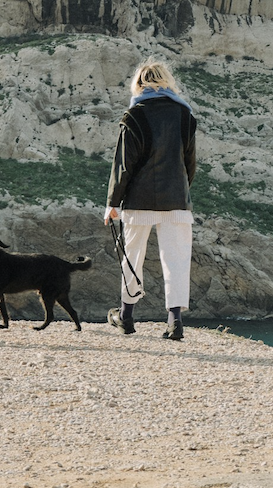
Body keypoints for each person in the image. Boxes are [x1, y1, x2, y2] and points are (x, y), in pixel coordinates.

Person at [104, 58, 197, 340]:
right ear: (167, 81)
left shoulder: (134, 116)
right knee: (177, 259)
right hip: (177, 200)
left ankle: (127, 316)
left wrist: (112, 203)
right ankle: (174, 322)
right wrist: (181, 191)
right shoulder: (185, 115)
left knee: (132, 256)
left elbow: (123, 165)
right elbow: (189, 163)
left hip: (138, 200)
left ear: (139, 85)